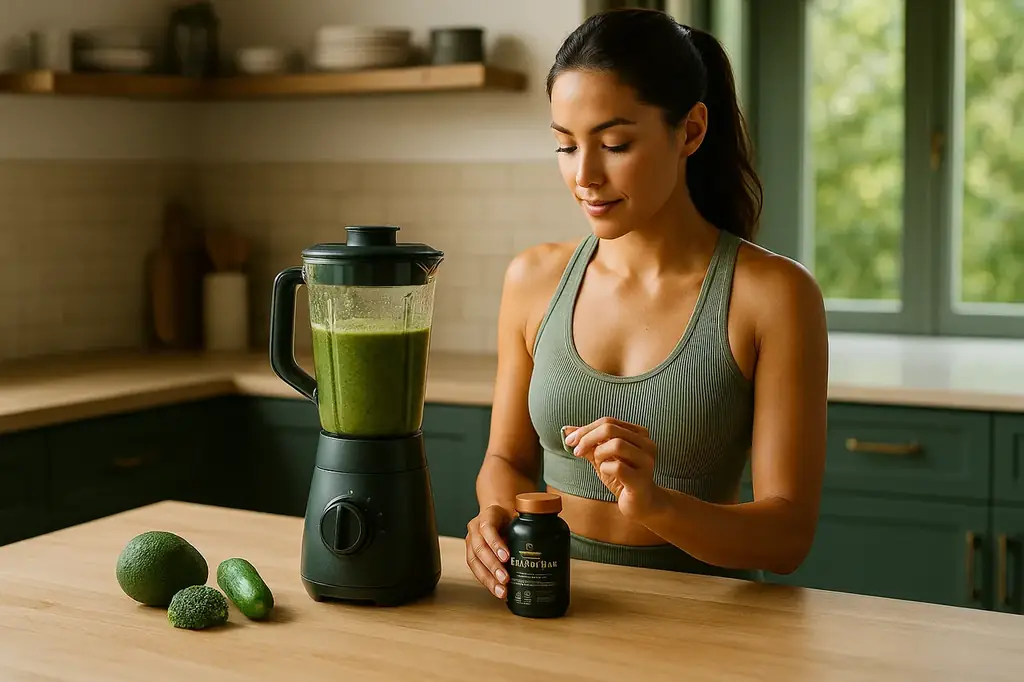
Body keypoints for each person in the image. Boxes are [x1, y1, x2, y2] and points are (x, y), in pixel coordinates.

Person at [465, 8, 829, 598]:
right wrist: (499, 520)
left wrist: (654, 504)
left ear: (690, 131)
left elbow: (786, 537)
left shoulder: (774, 296)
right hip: (559, 607)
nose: (585, 175)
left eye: (614, 144)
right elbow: (504, 460)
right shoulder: (532, 278)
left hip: (709, 624)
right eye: (564, 146)